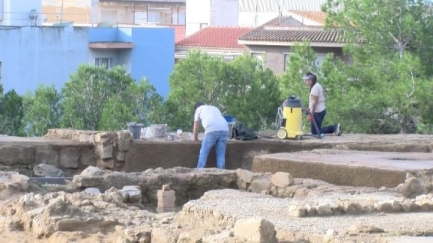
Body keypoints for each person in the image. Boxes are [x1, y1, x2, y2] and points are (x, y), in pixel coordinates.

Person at [303, 72, 342, 136]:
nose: (305, 82)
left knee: (315, 132)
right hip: (320, 110)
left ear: (310, 80)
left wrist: (311, 114)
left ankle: (334, 127)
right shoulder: (317, 85)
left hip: (317, 112)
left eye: (306, 80)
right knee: (315, 131)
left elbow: (314, 102)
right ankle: (334, 128)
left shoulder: (315, 88)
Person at [192, 102, 229, 169]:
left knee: (204, 152)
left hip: (211, 129)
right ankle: (222, 172)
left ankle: (199, 170)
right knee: (221, 154)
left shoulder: (198, 109)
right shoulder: (215, 108)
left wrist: (195, 138)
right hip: (225, 129)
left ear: (196, 108)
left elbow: (196, 126)